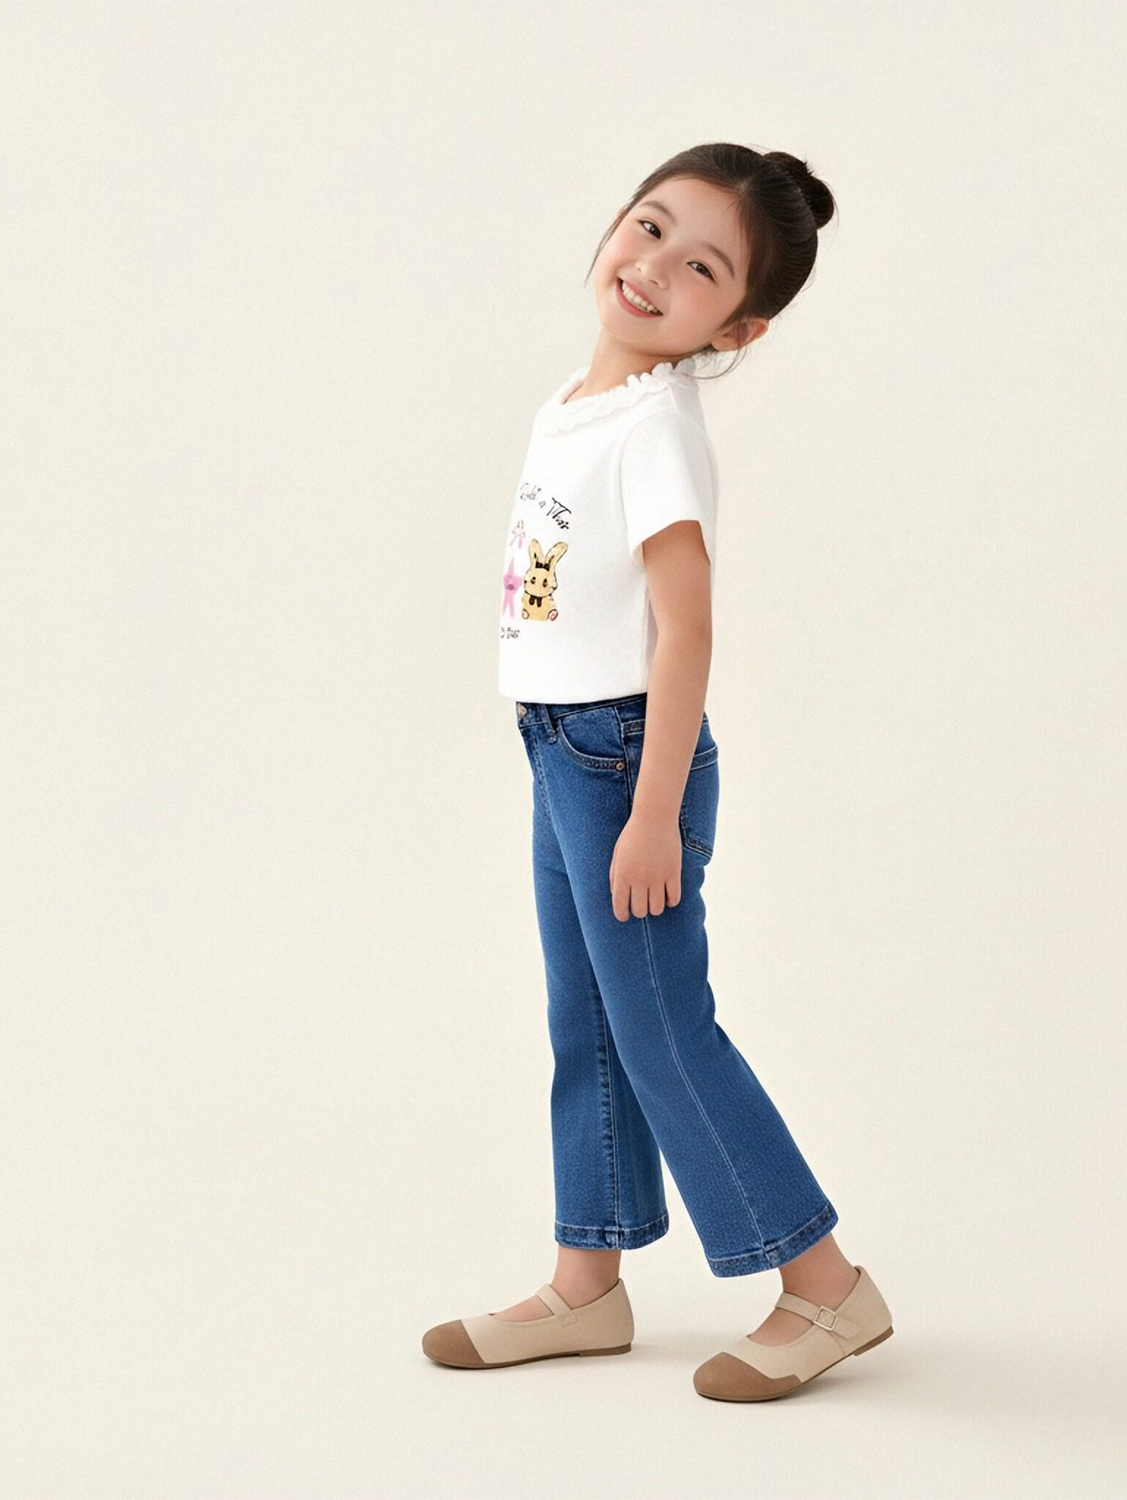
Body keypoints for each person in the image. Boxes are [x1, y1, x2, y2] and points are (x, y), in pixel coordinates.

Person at [424, 143, 893, 1401]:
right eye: (648, 228)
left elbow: (685, 630)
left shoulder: (654, 431)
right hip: (558, 747)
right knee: (585, 1018)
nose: (652, 268)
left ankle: (828, 1285)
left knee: (662, 1029)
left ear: (734, 327)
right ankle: (587, 1283)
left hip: (627, 758)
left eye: (701, 270)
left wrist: (651, 815)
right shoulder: (575, 404)